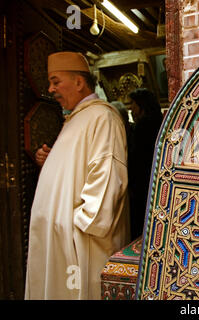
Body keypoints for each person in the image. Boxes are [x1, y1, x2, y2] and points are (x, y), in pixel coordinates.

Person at [25, 51, 130, 300]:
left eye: (55, 81)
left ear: (79, 82)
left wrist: (76, 224)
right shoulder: (76, 119)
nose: (50, 89)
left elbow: (106, 176)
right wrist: (48, 162)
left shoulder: (103, 117)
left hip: (81, 244)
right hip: (60, 242)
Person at [127, 88, 163, 240]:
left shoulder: (143, 126)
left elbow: (137, 159)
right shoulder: (160, 122)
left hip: (143, 184)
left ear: (142, 105)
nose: (131, 109)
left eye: (133, 104)